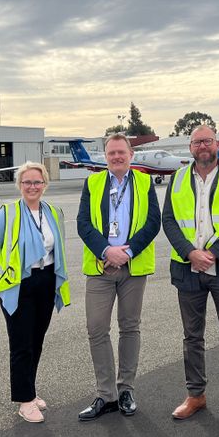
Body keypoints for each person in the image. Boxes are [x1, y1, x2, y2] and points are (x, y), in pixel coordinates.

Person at [162, 125, 219, 426]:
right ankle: (196, 395)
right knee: (192, 337)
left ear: (218, 144)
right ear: (190, 147)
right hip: (188, 269)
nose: (203, 146)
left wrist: (212, 253)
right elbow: (169, 221)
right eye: (197, 142)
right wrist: (190, 253)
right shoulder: (176, 179)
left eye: (208, 141)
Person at [77, 133, 161, 421]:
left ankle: (126, 389)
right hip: (101, 268)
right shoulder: (93, 182)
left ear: (131, 155)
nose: (116, 157)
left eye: (121, 152)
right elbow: (83, 223)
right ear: (105, 156)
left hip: (132, 267)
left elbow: (153, 222)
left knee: (129, 327)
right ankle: (105, 394)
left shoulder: (145, 182)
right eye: (111, 153)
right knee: (96, 328)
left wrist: (128, 252)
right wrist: (106, 251)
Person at [0, 161, 70, 423]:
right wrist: (7, 277)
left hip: (45, 280)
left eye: (37, 182)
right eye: (27, 182)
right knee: (21, 344)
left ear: (45, 184)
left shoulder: (54, 212)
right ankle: (24, 401)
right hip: (18, 283)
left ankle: (30, 391)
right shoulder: (6, 213)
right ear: (20, 185)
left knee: (36, 341)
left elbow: (59, 248)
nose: (32, 186)